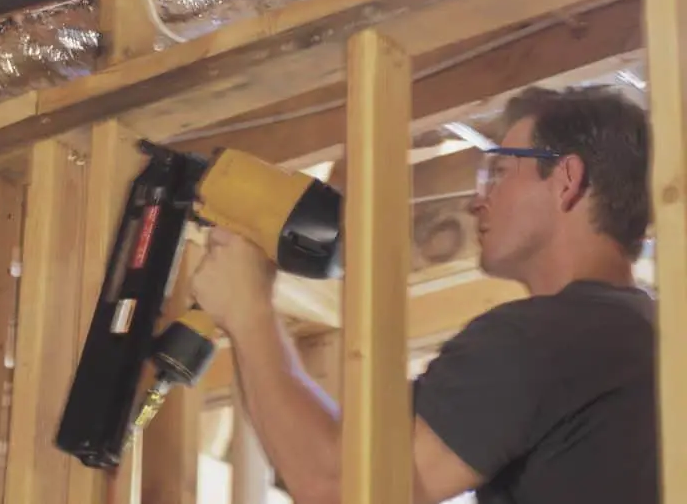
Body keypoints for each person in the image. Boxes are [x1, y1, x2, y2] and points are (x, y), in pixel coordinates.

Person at [189, 85, 657, 504]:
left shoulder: (545, 338)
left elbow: (341, 488)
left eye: (499, 170)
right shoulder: (647, 336)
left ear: (566, 180)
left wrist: (248, 311)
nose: (478, 199)